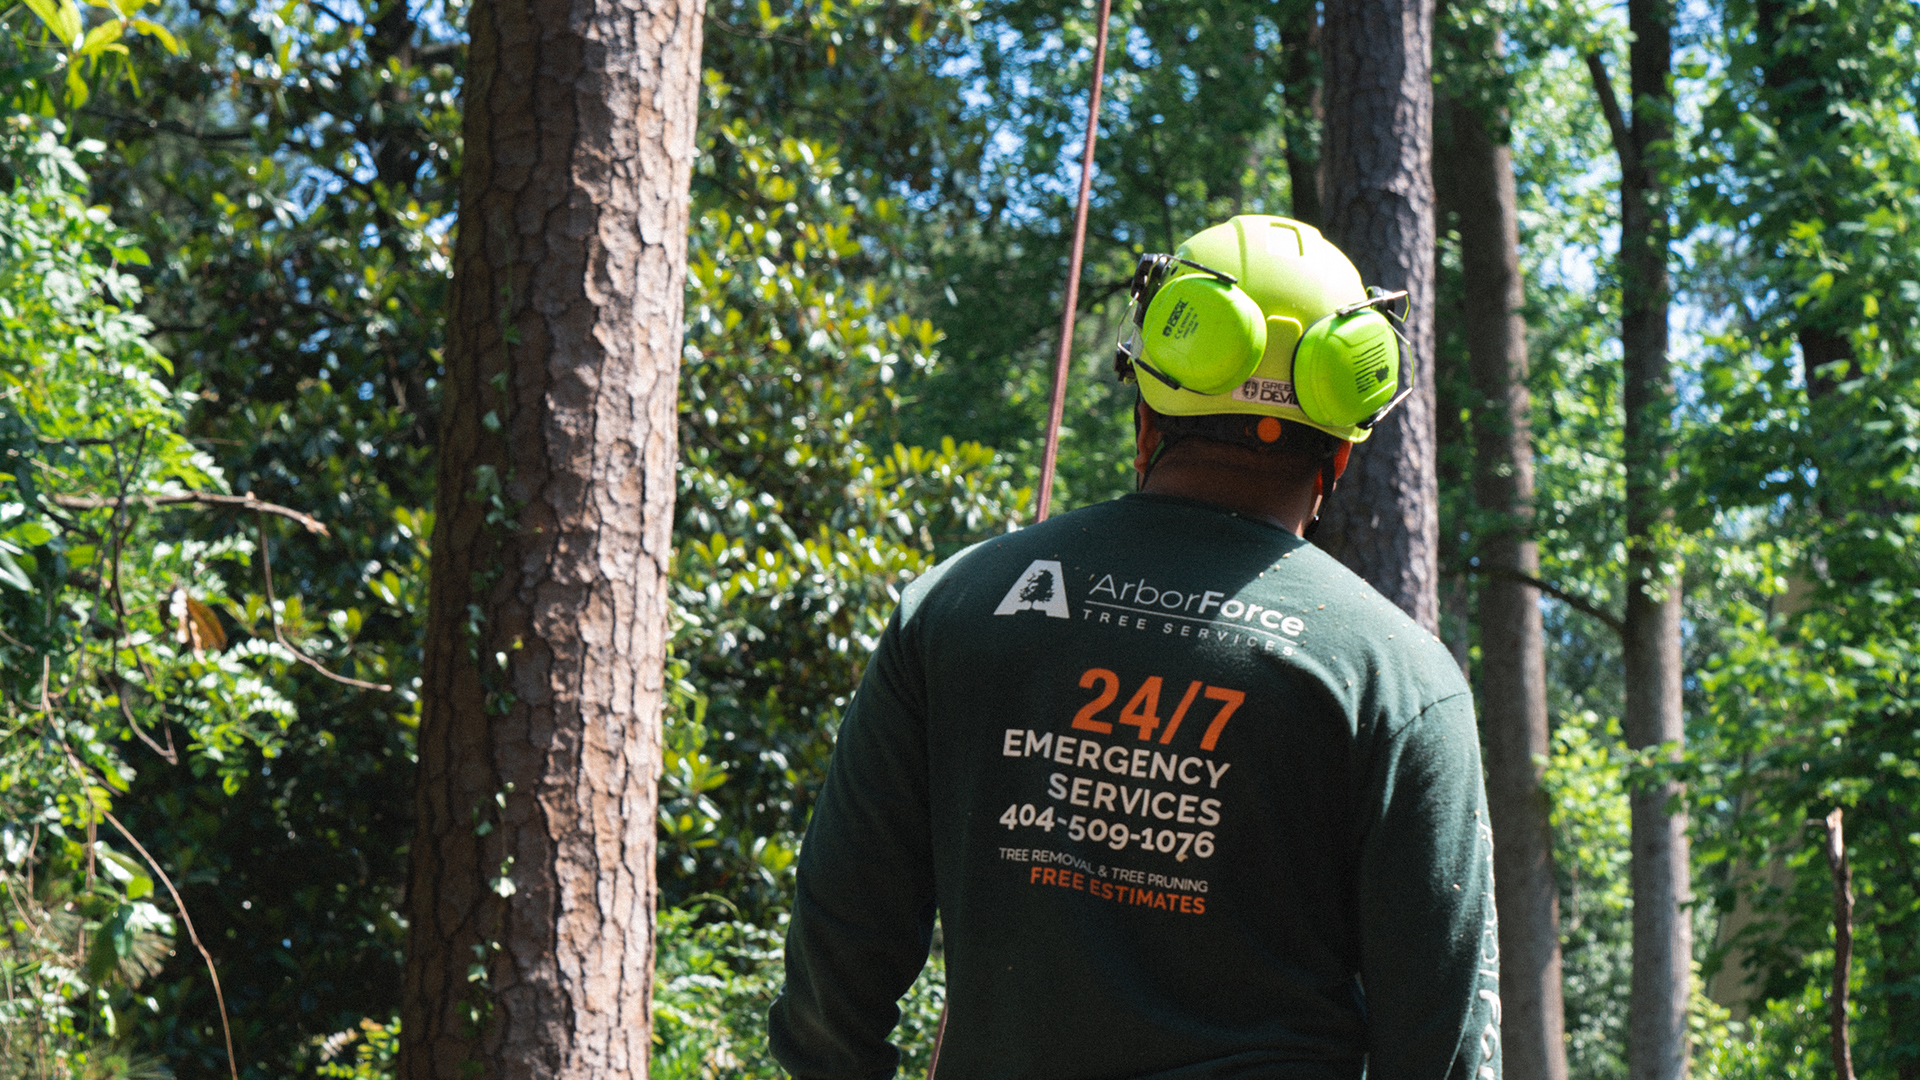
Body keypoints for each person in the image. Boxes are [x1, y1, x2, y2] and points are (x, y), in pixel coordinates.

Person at [768, 215, 1502, 1080]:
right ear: (1340, 452)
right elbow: (1444, 1049)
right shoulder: (1399, 681)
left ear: (1147, 411)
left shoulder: (956, 606)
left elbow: (837, 955)